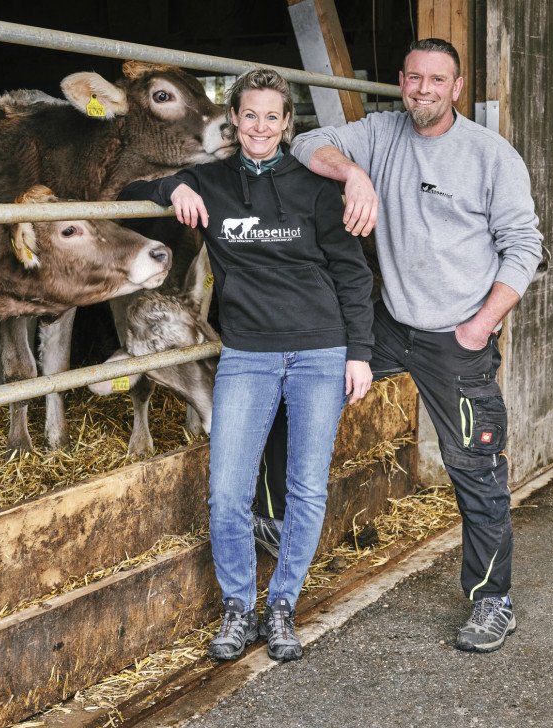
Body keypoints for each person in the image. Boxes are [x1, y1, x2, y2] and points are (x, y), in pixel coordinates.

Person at [254, 38, 543, 653]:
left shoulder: (491, 157)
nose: (423, 90)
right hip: (389, 323)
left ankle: (492, 600)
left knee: (477, 467)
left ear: (456, 88)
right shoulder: (381, 133)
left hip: (456, 338)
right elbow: (303, 142)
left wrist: (479, 324)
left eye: (437, 80)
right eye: (413, 79)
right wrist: (354, 173)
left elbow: (524, 249)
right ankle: (273, 514)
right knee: (305, 380)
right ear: (401, 82)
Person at [121, 68, 375, 662]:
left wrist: (358, 354)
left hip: (319, 351)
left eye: (272, 116)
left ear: (288, 124)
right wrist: (172, 190)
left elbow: (351, 275)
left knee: (307, 488)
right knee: (226, 489)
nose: (260, 126)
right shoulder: (210, 181)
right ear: (234, 119)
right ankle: (240, 606)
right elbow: (132, 181)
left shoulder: (315, 189)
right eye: (250, 114)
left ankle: (283, 604)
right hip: (248, 355)